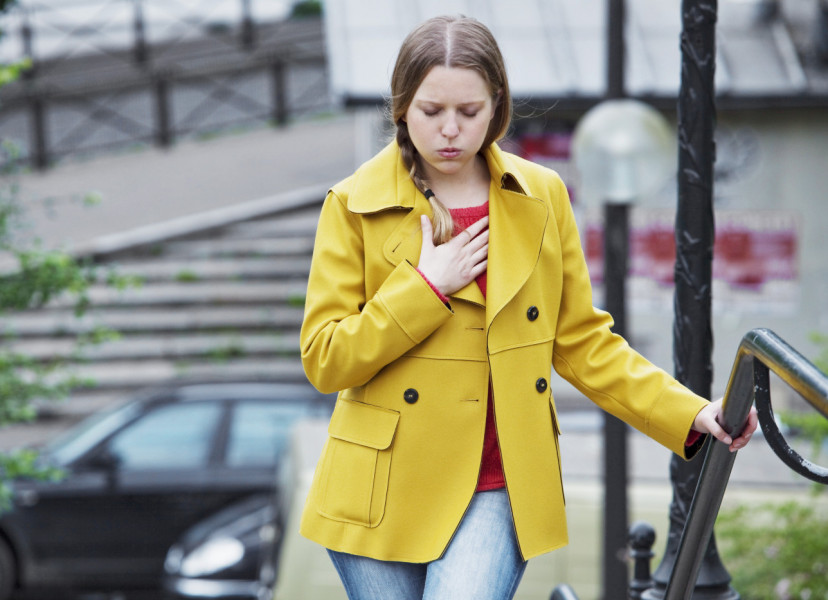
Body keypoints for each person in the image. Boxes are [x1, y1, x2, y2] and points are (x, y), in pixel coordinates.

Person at [298, 14, 758, 600]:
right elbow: (325, 359)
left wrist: (689, 413)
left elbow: (583, 343)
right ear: (401, 107)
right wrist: (424, 288)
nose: (448, 131)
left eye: (469, 112)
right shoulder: (353, 203)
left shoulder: (540, 197)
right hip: (380, 489)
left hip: (497, 481)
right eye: (430, 111)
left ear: (497, 106)